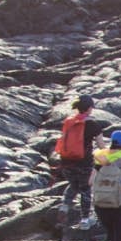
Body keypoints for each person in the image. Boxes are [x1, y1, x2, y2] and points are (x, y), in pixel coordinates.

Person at [49, 95, 103, 228]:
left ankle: (65, 206)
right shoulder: (93, 124)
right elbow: (101, 146)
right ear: (89, 108)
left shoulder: (69, 121)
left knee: (73, 185)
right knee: (85, 189)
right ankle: (85, 220)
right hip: (83, 163)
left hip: (66, 161)